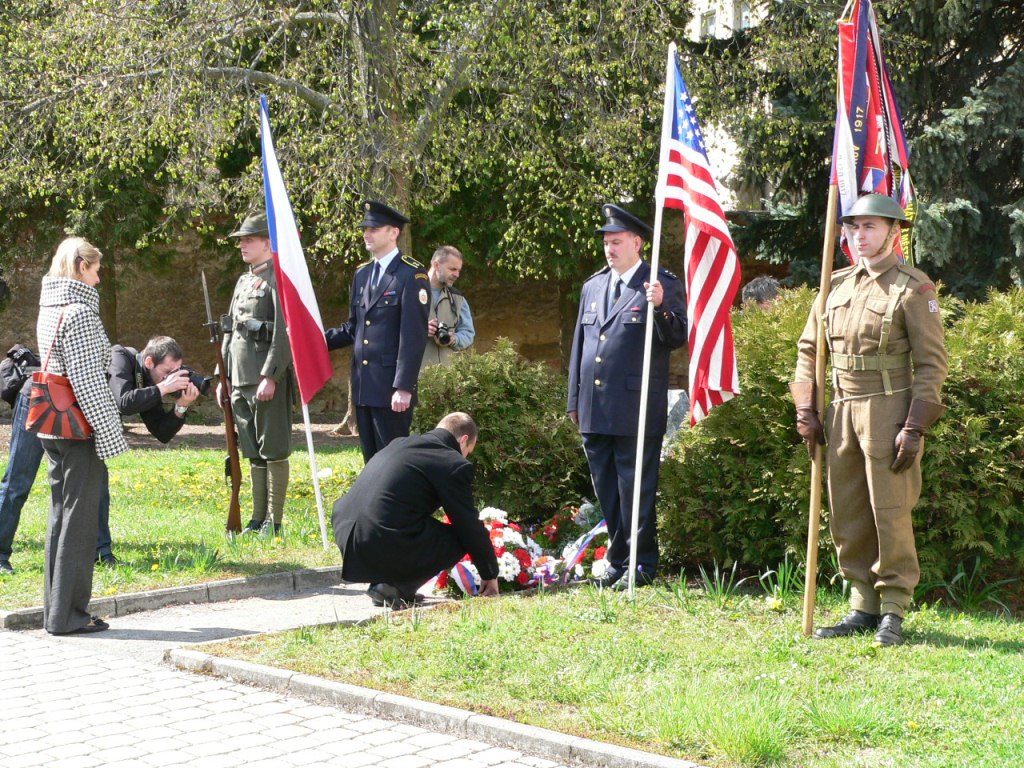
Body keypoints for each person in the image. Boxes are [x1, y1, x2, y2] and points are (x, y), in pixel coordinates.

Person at [792, 193, 948, 647]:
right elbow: (809, 350)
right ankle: (862, 604)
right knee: (848, 511)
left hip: (888, 409)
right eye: (853, 228)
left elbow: (933, 364)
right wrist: (807, 407)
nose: (859, 236)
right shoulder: (834, 285)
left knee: (890, 511)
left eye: (870, 227)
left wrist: (915, 426)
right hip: (839, 409)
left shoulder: (913, 288)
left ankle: (894, 608)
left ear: (893, 232)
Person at [0, 337, 199, 572]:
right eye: (168, 371)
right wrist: (163, 388)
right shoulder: (119, 357)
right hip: (41, 398)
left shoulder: (147, 380)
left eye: (177, 372)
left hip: (75, 412)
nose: (172, 378)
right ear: (148, 361)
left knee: (98, 484)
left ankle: (101, 554)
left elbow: (161, 432)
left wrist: (182, 405)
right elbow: (123, 401)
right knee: (18, 480)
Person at [567, 204, 688, 590]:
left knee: (636, 488)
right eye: (606, 241)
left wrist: (660, 308)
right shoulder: (593, 286)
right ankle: (619, 561)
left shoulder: (660, 285)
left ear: (637, 242)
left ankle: (641, 563)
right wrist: (574, 399)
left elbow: (677, 338)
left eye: (617, 241)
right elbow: (580, 347)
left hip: (634, 407)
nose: (609, 248)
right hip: (594, 407)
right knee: (607, 490)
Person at [35, 237, 128, 634]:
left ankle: (54, 612)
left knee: (60, 515)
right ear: (78, 267)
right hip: (78, 427)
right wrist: (111, 436)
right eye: (95, 269)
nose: (99, 277)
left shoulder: (48, 306)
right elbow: (88, 382)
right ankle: (70, 616)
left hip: (50, 423)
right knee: (80, 520)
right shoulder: (81, 313)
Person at [332, 411, 499, 608]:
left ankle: (390, 585)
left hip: (346, 530)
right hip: (378, 536)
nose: (465, 456)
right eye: (469, 450)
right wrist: (490, 573)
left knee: (409, 523)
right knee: (460, 537)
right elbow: (468, 524)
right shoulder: (451, 462)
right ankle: (395, 586)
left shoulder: (399, 444)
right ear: (464, 440)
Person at [325, 200, 430, 462]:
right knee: (371, 463)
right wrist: (314, 341)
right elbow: (354, 328)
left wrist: (404, 387)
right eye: (365, 228)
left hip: (391, 390)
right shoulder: (362, 275)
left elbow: (413, 336)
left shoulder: (411, 275)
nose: (366, 234)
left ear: (393, 232)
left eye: (374, 228)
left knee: (392, 464)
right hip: (364, 386)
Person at [219, 212, 295, 535]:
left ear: (267, 243)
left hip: (265, 378)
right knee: (251, 447)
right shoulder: (244, 280)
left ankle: (274, 522)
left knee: (273, 446)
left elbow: (284, 331)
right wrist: (222, 374)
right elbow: (231, 329)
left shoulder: (279, 279)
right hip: (239, 376)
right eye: (241, 241)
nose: (243, 245)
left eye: (249, 239)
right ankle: (256, 517)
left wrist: (272, 375)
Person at [421, 245, 475, 369]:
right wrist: (420, 329)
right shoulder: (409, 293)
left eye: (459, 270)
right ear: (436, 265)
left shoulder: (458, 299)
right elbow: (391, 328)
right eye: (452, 269)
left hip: (448, 380)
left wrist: (453, 339)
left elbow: (468, 333)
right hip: (413, 378)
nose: (457, 274)